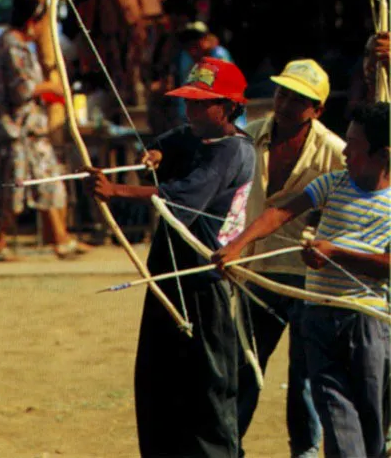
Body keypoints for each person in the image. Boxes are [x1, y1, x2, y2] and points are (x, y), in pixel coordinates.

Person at [86, 57, 255, 457]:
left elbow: (183, 197)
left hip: (202, 283)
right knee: (157, 387)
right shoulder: (200, 136)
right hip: (168, 279)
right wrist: (157, 152)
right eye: (189, 102)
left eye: (201, 104)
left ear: (229, 108)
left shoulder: (233, 151)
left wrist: (118, 191)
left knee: (207, 396)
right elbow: (177, 138)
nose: (190, 110)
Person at [214, 102, 391, 458]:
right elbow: (280, 212)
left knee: (372, 421)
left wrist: (335, 254)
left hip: (367, 323)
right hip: (320, 319)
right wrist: (237, 245)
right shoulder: (333, 182)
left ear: (382, 155)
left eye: (353, 145)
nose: (343, 151)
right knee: (337, 415)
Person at [236, 59, 345, 458]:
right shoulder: (249, 136)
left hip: (308, 276)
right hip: (255, 269)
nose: (284, 104)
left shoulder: (335, 150)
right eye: (283, 93)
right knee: (244, 365)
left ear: (316, 110)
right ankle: (231, 443)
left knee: (305, 374)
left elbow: (360, 196)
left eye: (299, 100)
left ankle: (305, 450)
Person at [0, 0, 91, 261]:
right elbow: (21, 90)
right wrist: (51, 87)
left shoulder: (19, 46)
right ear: (31, 22)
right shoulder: (11, 47)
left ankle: (61, 239)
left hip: (31, 130)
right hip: (14, 131)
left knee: (50, 182)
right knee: (12, 189)